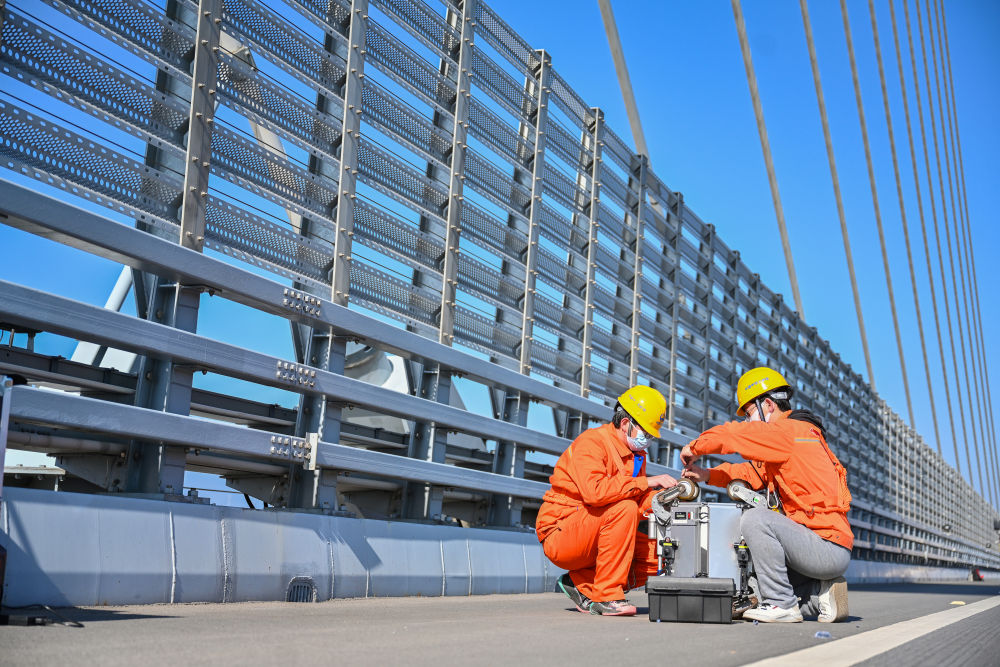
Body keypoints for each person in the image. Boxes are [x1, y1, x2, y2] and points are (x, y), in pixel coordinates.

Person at [680, 367, 852, 623]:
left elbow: (733, 435)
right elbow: (751, 473)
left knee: (755, 519)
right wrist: (707, 475)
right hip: (825, 545)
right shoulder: (800, 434)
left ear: (768, 405)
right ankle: (820, 597)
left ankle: (781, 604)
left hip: (823, 546)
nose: (748, 421)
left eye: (749, 413)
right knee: (759, 592)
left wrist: (695, 447)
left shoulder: (786, 432)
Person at [536, 385, 678, 616]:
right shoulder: (592, 443)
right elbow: (595, 493)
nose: (648, 439)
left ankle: (581, 583)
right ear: (625, 424)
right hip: (561, 533)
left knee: (664, 554)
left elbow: (637, 500)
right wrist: (646, 483)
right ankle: (606, 596)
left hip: (598, 529)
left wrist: (660, 500)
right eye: (647, 433)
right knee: (624, 508)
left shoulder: (637, 456)